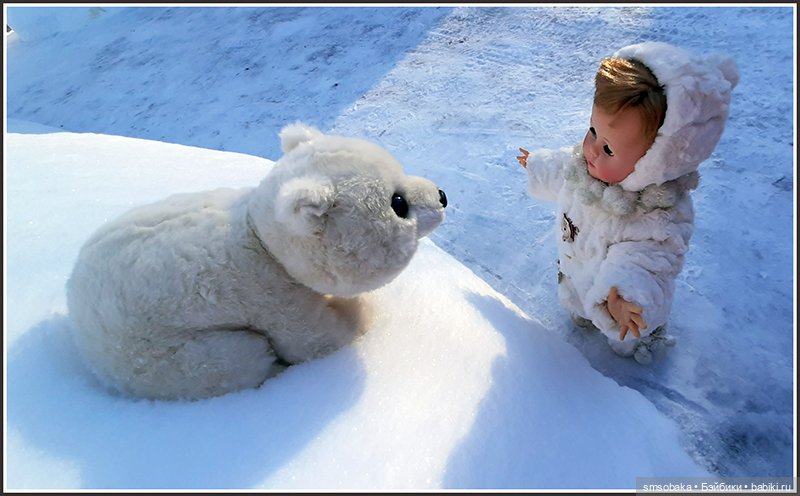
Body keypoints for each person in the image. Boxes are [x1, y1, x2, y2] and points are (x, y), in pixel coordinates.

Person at [518, 41, 738, 364]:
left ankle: (639, 336)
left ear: (656, 161)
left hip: (620, 295)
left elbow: (648, 262)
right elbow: (563, 169)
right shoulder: (584, 168)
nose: (592, 150)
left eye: (608, 149)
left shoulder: (657, 215)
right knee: (579, 299)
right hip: (577, 270)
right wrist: (537, 164)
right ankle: (584, 308)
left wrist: (626, 297)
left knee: (626, 331)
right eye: (592, 131)